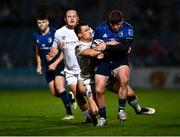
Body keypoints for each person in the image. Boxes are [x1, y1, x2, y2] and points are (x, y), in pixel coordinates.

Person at [93, 10, 155, 126]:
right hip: (104, 62)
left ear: (122, 21)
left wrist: (106, 45)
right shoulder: (100, 29)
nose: (116, 27)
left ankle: (122, 110)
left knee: (125, 81)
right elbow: (95, 47)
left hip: (120, 61)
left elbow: (124, 48)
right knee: (99, 90)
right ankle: (103, 118)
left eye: (118, 24)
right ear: (109, 22)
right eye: (113, 25)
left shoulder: (128, 28)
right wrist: (116, 45)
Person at [51, 9, 96, 124]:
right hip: (69, 70)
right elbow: (55, 48)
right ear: (65, 19)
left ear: (78, 18)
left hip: (83, 69)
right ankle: (89, 117)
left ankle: (97, 109)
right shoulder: (59, 33)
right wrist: (51, 54)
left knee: (83, 91)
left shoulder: (86, 30)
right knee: (77, 95)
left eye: (74, 16)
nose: (71, 18)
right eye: (69, 16)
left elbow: (95, 43)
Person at [33, 13, 74, 120]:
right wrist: (39, 65)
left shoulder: (55, 33)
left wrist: (55, 64)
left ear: (47, 22)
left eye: (43, 22)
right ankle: (70, 96)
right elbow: (37, 53)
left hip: (59, 65)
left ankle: (70, 114)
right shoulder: (36, 36)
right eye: (39, 22)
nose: (41, 24)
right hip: (48, 67)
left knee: (60, 88)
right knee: (54, 93)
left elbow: (64, 51)